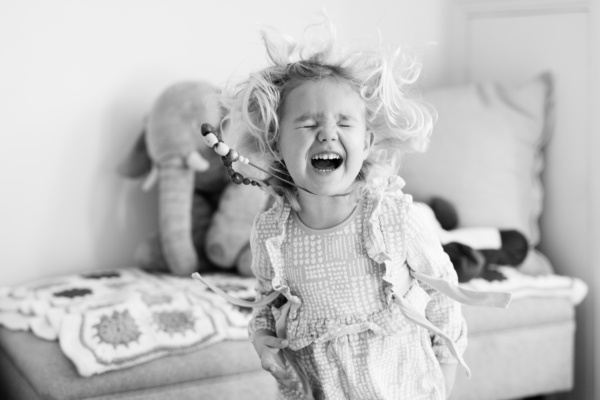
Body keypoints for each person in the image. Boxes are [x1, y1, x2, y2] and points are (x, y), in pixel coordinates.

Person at [194, 18, 511, 400]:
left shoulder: (392, 220)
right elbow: (264, 306)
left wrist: (443, 380)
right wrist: (263, 343)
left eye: (344, 122)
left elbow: (444, 301)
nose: (327, 133)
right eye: (309, 122)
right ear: (277, 145)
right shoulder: (271, 233)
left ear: (367, 142)